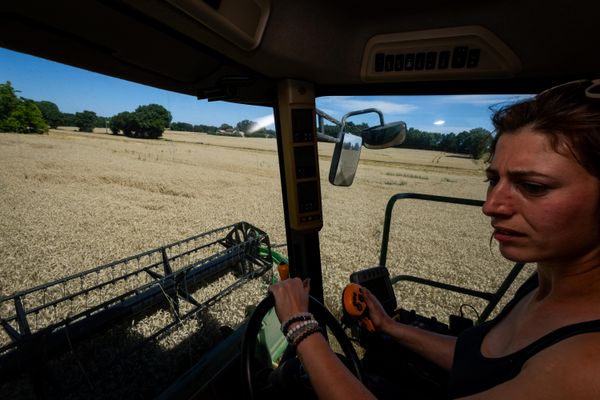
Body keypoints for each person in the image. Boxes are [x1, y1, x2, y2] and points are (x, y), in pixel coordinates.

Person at [269, 79, 600, 399]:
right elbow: (478, 361)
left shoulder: (588, 365)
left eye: (534, 187)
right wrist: (390, 326)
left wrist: (301, 327)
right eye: (493, 179)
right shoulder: (544, 282)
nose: (490, 206)